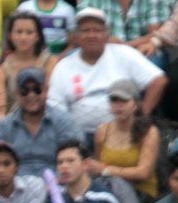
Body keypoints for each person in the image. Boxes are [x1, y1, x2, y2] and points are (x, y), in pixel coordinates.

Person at [46, 8, 165, 138]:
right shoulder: (64, 65)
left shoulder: (123, 53)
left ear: (107, 35)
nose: (91, 35)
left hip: (123, 133)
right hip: (79, 135)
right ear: (77, 37)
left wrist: (142, 116)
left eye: (97, 30)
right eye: (85, 30)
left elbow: (159, 80)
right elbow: (55, 107)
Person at [0, 66, 81, 178]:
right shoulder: (4, 126)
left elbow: (76, 161)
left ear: (46, 90)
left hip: (57, 186)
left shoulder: (64, 121)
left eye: (37, 89)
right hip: (15, 189)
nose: (31, 95)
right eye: (25, 90)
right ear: (17, 93)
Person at [90, 78, 160, 202]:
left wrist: (107, 170)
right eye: (114, 100)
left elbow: (143, 173)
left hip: (141, 193)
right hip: (110, 189)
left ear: (135, 104)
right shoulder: (102, 131)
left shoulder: (149, 132)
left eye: (124, 100)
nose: (119, 105)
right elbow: (98, 166)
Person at [0, 11, 55, 116]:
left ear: (38, 36)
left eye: (29, 32)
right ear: (10, 36)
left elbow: (52, 99)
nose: (23, 37)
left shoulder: (50, 61)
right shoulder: (3, 69)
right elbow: (1, 108)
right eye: (19, 32)